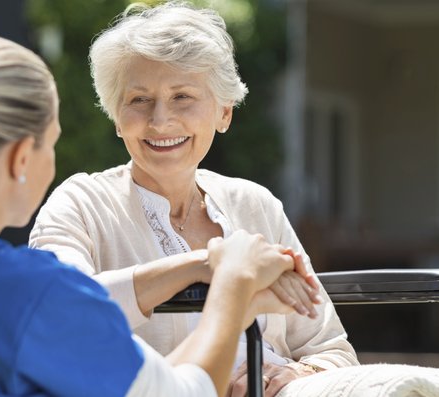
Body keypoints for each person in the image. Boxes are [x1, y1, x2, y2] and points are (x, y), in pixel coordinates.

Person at [0, 32, 314, 397]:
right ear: (21, 158)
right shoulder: (31, 293)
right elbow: (182, 394)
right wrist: (231, 285)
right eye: (54, 140)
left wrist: (216, 277)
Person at [29, 2, 359, 396]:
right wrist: (206, 265)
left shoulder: (255, 204)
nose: (160, 120)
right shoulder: (80, 203)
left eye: (182, 96)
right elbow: (61, 315)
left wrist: (293, 377)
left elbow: (331, 349)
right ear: (117, 118)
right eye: (138, 100)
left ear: (224, 113)